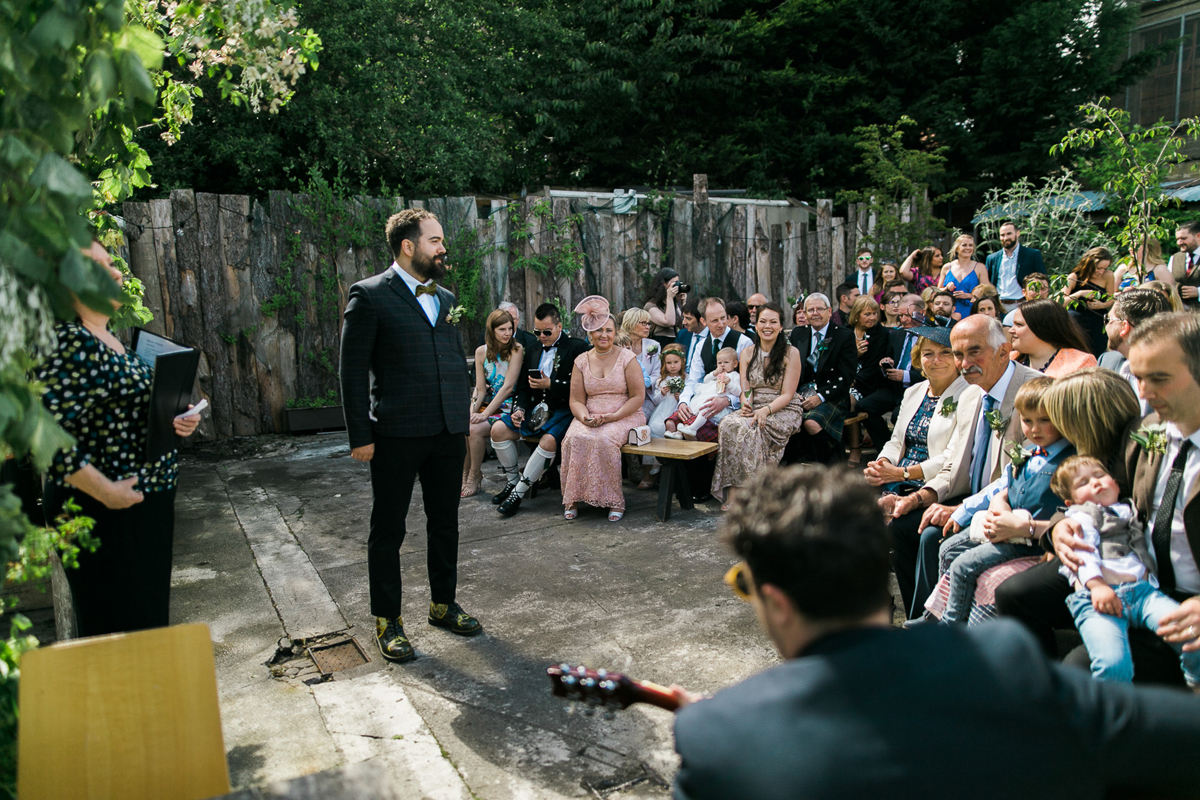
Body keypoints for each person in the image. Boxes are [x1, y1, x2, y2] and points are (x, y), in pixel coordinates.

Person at [671, 464, 1200, 800]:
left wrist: (733, 725)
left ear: (777, 601)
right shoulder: (1007, 662)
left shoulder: (716, 737)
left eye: (746, 585)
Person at [1001, 318, 1200, 684]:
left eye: (1159, 378)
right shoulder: (1146, 432)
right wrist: (1059, 529)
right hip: (1132, 567)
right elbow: (1105, 496)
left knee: (1082, 670)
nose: (1144, 391)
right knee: (1015, 595)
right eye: (1137, 377)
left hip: (1182, 598)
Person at [36, 241, 202, 637]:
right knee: (116, 635)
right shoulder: (68, 341)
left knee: (144, 630)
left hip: (141, 510)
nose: (115, 272)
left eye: (112, 263)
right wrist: (107, 491)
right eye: (96, 266)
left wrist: (179, 420)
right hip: (103, 514)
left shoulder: (114, 342)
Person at [340, 209, 481, 664]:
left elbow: (449, 357)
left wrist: (463, 415)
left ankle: (442, 604)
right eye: (435, 240)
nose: (443, 249)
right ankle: (388, 620)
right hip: (396, 434)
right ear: (408, 245)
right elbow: (351, 371)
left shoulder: (446, 297)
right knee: (389, 529)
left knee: (446, 523)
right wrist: (360, 434)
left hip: (446, 432)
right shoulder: (370, 295)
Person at [887, 315, 1041, 619]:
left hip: (1009, 509)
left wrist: (963, 509)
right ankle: (919, 619)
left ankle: (937, 625)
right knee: (902, 524)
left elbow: (1024, 475)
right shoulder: (972, 394)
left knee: (931, 536)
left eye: (974, 351)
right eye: (959, 354)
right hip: (965, 496)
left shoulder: (1035, 390)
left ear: (1004, 350)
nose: (964, 362)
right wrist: (918, 498)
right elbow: (954, 463)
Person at [933, 378, 1075, 624]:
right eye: (1027, 421)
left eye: (1044, 420)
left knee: (964, 565)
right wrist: (999, 506)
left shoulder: (1068, 463)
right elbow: (1005, 488)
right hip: (1007, 527)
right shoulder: (1030, 453)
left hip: (1031, 541)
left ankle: (952, 625)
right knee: (948, 548)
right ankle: (936, 614)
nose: (1034, 429)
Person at [1052, 455, 1200, 686]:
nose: (1095, 482)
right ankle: (1115, 710)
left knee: (1192, 636)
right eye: (1083, 483)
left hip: (1144, 594)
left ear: (1116, 483)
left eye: (1100, 475)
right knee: (1112, 663)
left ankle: (1194, 682)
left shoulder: (1129, 509)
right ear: (1071, 502)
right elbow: (1082, 553)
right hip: (1098, 597)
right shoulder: (1082, 516)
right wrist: (1098, 586)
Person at [864, 326, 980, 516]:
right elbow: (896, 441)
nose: (936, 360)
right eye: (928, 354)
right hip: (895, 477)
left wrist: (902, 473)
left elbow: (954, 456)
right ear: (918, 359)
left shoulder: (970, 393)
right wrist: (881, 465)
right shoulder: (913, 391)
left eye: (945, 353)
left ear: (958, 359)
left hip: (933, 485)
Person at [491, 302, 590, 518]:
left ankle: (517, 494)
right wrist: (519, 410)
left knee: (548, 441)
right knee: (498, 429)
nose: (541, 336)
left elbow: (585, 387)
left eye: (547, 331)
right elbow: (524, 388)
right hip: (535, 411)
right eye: (537, 331)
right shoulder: (533, 349)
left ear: (559, 326)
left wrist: (551, 385)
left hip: (564, 409)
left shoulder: (577, 347)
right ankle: (512, 482)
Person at [561, 298, 646, 522]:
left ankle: (613, 500)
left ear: (615, 332)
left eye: (609, 330)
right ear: (590, 334)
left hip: (625, 414)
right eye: (599, 331)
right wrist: (584, 417)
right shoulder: (580, 361)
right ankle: (573, 497)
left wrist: (615, 416)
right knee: (573, 437)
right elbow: (576, 400)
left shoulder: (627, 358)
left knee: (605, 440)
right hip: (590, 415)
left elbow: (638, 397)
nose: (604, 335)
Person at [711, 303, 803, 509]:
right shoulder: (747, 353)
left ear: (780, 326)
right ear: (756, 324)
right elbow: (746, 387)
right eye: (763, 321)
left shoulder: (791, 353)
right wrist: (746, 404)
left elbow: (788, 393)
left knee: (752, 428)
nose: (767, 326)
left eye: (773, 322)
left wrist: (765, 410)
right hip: (755, 404)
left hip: (782, 407)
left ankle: (752, 491)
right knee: (728, 424)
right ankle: (733, 488)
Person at [786, 293, 857, 463]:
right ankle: (791, 468)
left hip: (832, 395)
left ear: (829, 311)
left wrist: (821, 397)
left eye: (820, 309)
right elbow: (789, 368)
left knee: (811, 423)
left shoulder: (844, 335)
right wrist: (793, 393)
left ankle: (830, 466)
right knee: (784, 421)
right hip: (800, 395)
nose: (815, 313)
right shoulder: (798, 334)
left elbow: (846, 376)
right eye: (811, 310)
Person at [672, 298, 753, 443]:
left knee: (692, 434)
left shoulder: (743, 342)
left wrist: (727, 400)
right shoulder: (701, 345)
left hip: (730, 405)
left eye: (723, 318)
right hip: (703, 400)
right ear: (704, 321)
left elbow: (749, 384)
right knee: (671, 424)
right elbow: (693, 380)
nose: (721, 324)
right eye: (715, 320)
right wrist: (683, 402)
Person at [856, 295, 926, 461]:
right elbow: (887, 357)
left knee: (896, 416)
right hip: (892, 387)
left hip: (917, 389)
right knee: (863, 406)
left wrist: (906, 375)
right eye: (900, 316)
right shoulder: (896, 335)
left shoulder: (930, 337)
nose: (903, 320)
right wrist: (885, 363)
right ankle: (885, 449)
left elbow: (931, 373)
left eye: (907, 315)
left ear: (921, 313)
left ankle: (904, 454)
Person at [463, 309, 524, 497]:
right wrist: (472, 410)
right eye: (502, 329)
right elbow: (480, 389)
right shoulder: (481, 352)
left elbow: (508, 387)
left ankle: (474, 475)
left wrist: (484, 414)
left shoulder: (516, 349)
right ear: (492, 330)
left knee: (474, 428)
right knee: (467, 425)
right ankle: (466, 474)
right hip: (491, 405)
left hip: (510, 406)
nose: (507, 333)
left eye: (509, 328)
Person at [1099, 288, 1170, 414]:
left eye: (1108, 320)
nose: (1106, 326)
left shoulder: (1172, 373)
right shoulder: (1107, 361)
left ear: (1124, 327)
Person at [845, 296, 889, 465]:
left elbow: (873, 367)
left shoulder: (880, 334)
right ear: (856, 315)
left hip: (869, 383)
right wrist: (854, 355)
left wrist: (852, 381)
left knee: (848, 400)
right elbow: (838, 360)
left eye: (874, 313)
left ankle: (855, 448)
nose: (872, 317)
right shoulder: (846, 332)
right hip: (845, 379)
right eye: (867, 314)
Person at [1009, 299, 1097, 376]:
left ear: (1042, 328)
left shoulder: (1080, 363)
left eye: (1019, 325)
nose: (1011, 330)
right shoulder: (1007, 360)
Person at [668, 347, 741, 439]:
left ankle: (693, 428)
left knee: (705, 410)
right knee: (693, 408)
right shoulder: (717, 374)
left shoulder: (735, 376)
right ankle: (679, 432)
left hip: (717, 402)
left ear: (735, 364)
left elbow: (738, 392)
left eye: (726, 362)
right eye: (719, 363)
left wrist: (729, 383)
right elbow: (706, 380)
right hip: (705, 397)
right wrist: (714, 373)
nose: (722, 365)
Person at [641, 343, 687, 489]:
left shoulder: (687, 378)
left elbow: (691, 397)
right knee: (653, 428)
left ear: (682, 362)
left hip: (676, 411)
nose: (672, 366)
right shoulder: (661, 380)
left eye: (675, 362)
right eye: (669, 363)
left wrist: (681, 397)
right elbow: (654, 400)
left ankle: (662, 465)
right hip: (662, 410)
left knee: (668, 429)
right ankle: (652, 466)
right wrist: (662, 393)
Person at [1063, 246, 1116, 357]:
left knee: (1096, 354)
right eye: (1098, 268)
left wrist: (1102, 305)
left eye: (1104, 268)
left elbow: (1111, 299)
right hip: (1076, 321)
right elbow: (1060, 301)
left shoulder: (1108, 276)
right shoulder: (1074, 277)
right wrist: (1079, 294)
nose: (1101, 272)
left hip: (1097, 321)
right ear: (1089, 264)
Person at [987, 221, 1046, 307]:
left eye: (1009, 234)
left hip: (1022, 303)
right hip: (998, 305)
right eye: (1002, 235)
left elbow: (1042, 279)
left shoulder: (1032, 255)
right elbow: (988, 283)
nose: (1005, 237)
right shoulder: (992, 258)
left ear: (1017, 233)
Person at [620, 307, 661, 421]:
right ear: (631, 323)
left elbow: (656, 374)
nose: (647, 327)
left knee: (637, 420)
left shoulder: (654, 345)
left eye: (649, 324)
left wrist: (640, 385)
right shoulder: (619, 343)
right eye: (643, 323)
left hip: (646, 397)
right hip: (621, 397)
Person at [938, 234, 990, 320]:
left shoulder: (980, 267)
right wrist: (946, 288)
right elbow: (937, 291)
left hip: (971, 311)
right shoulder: (947, 267)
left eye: (970, 245)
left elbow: (987, 293)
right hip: (949, 311)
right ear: (957, 248)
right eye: (964, 245)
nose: (968, 248)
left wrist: (969, 295)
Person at [643, 267, 686, 346]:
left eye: (678, 282)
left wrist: (682, 303)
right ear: (663, 283)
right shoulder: (650, 305)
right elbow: (669, 321)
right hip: (659, 341)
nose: (677, 286)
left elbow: (683, 323)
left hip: (675, 339)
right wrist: (669, 298)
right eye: (674, 283)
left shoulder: (673, 303)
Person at [1163, 221, 1200, 309]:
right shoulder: (1174, 258)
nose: (1179, 242)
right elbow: (1170, 285)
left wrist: (1198, 292)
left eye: (1183, 238)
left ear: (1198, 236)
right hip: (1181, 314)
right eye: (1177, 239)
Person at [676, 297, 704, 370]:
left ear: (702, 319)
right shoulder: (682, 334)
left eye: (688, 319)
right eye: (683, 318)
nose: (684, 322)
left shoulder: (712, 336)